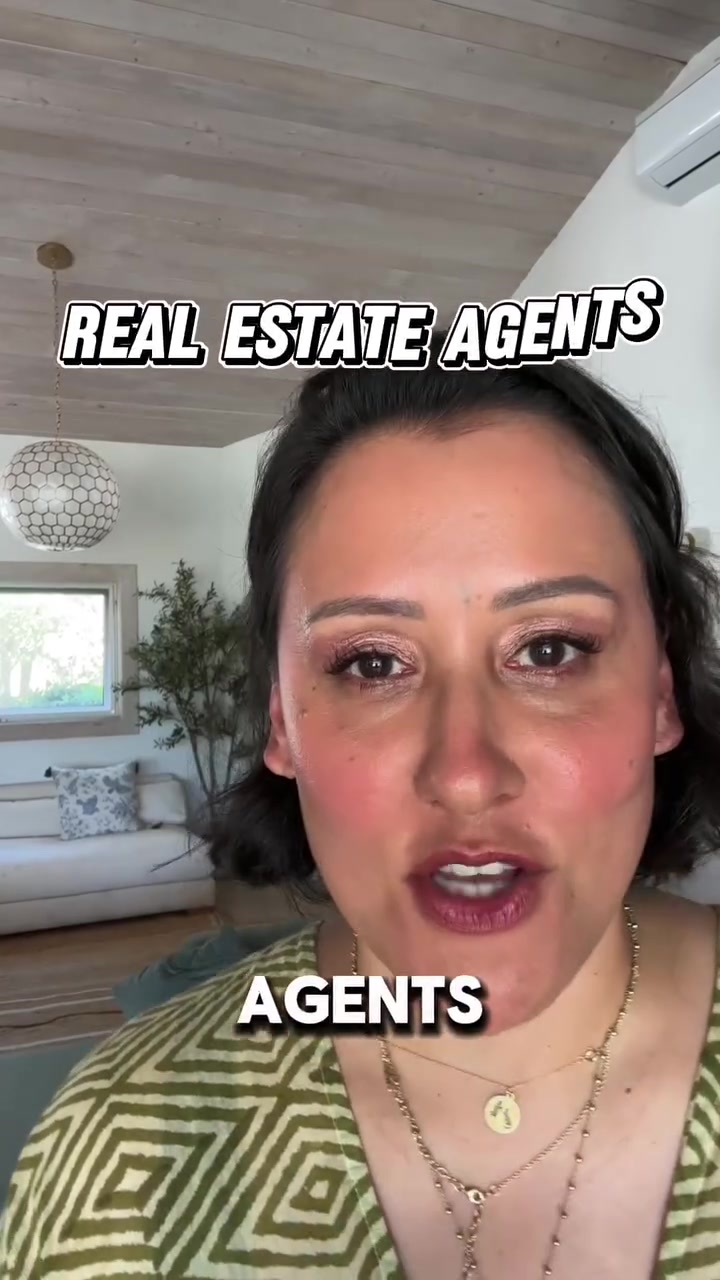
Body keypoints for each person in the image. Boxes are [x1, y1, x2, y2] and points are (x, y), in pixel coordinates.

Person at [3, 341, 720, 1280]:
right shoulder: (120, 1139)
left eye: (549, 650)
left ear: (661, 695)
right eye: (373, 663)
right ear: (281, 723)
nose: (466, 776)